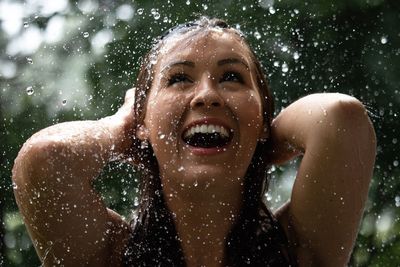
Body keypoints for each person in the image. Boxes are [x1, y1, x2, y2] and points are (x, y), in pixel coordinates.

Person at [12, 17, 376, 267]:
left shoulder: (298, 250)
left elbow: (340, 118)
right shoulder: (107, 256)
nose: (207, 95)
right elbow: (46, 160)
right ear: (141, 120)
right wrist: (122, 126)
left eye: (231, 76)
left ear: (263, 117)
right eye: (179, 79)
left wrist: (262, 137)